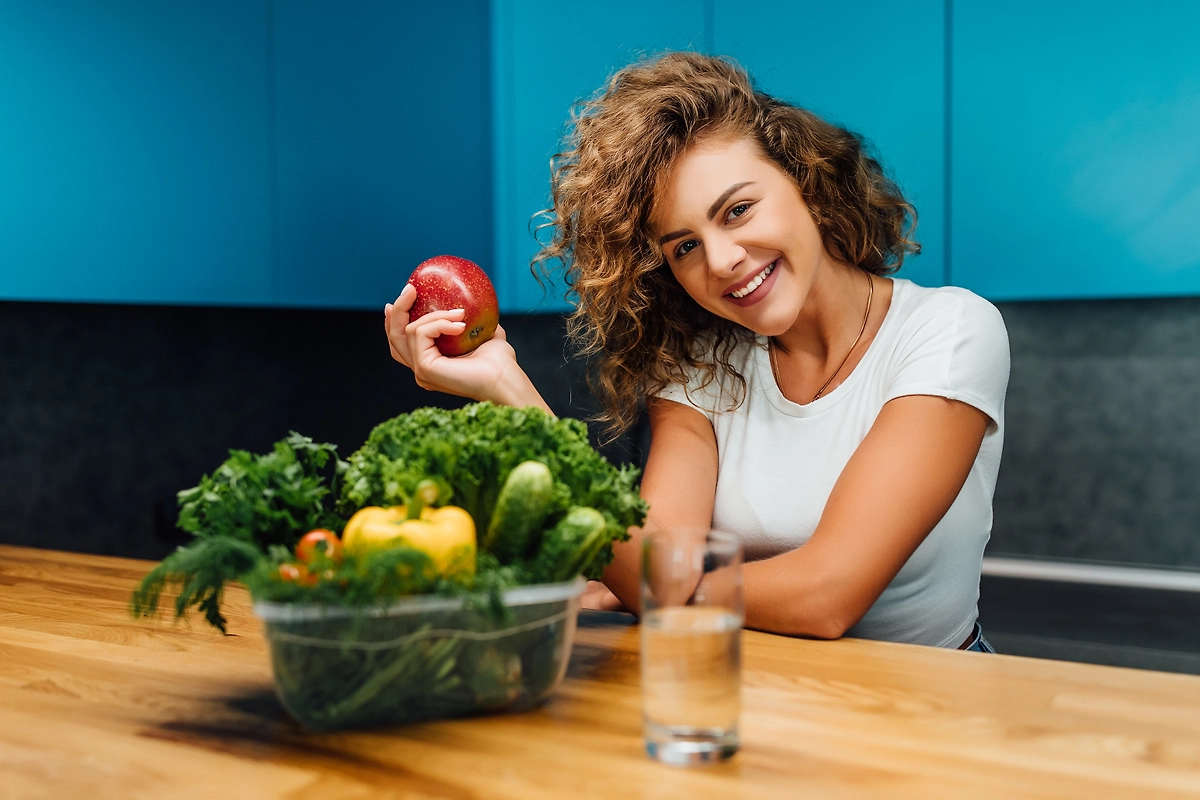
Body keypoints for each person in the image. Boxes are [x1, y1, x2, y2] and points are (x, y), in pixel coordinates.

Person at [384, 52, 1009, 651]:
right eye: (683, 246)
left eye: (737, 210)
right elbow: (657, 566)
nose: (722, 260)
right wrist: (509, 388)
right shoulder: (700, 362)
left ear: (806, 182)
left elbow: (828, 595)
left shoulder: (949, 330)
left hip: (929, 710)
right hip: (759, 698)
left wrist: (665, 592)